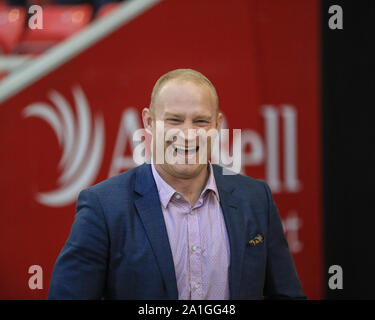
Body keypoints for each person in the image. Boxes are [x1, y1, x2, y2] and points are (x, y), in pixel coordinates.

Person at [48, 68, 306, 300]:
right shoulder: (104, 206)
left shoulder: (255, 198)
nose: (187, 133)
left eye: (201, 121)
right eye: (174, 120)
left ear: (217, 125)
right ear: (149, 122)